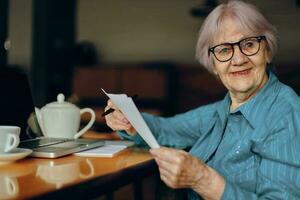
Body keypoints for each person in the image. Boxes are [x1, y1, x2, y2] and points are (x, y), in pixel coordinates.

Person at [104, 1, 300, 199]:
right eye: (224, 50)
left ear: (267, 50)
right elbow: (165, 129)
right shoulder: (222, 110)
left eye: (249, 44)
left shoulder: (286, 114)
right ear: (213, 64)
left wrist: (202, 179)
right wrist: (129, 120)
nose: (238, 59)